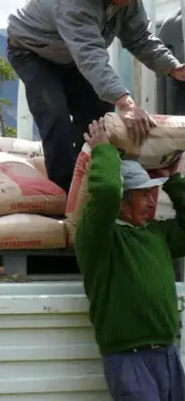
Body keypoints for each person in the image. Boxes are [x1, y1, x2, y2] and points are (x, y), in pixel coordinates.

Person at [5, 0, 185, 194]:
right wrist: (125, 101)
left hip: (70, 55)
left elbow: (140, 38)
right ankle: (66, 193)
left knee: (98, 110)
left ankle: (88, 170)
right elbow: (90, 55)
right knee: (54, 114)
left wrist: (173, 67)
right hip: (33, 52)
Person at [76, 117, 185, 400]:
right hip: (129, 360)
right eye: (142, 195)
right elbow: (107, 191)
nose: (151, 202)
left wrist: (174, 180)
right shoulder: (99, 237)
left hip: (168, 354)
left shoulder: (155, 233)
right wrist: (103, 149)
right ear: (123, 201)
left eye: (153, 194)